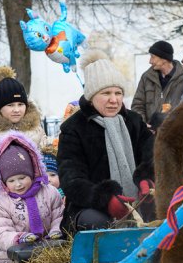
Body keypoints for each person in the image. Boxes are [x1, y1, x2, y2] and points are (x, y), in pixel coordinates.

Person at [59, 50, 154, 231]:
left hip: (138, 202)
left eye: (118, 93)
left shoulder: (134, 121)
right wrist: (105, 199)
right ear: (91, 96)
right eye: (106, 93)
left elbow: (153, 155)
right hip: (88, 207)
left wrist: (147, 179)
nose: (114, 100)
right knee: (99, 223)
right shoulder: (74, 128)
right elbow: (72, 179)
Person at [0, 132, 64, 263]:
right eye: (11, 181)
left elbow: (58, 214)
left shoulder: (49, 192)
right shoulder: (0, 202)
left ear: (32, 173)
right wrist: (19, 238)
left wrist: (55, 230)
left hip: (47, 253)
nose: (18, 184)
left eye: (22, 178)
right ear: (4, 182)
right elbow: (1, 232)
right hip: (11, 260)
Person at [0, 66, 48, 152]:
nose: (16, 110)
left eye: (20, 104)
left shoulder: (37, 130)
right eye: (10, 105)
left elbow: (45, 158)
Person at [131, 40, 183, 131]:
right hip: (149, 135)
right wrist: (144, 126)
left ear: (164, 59)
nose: (150, 61)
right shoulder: (146, 77)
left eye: (153, 57)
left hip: (175, 134)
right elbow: (137, 105)